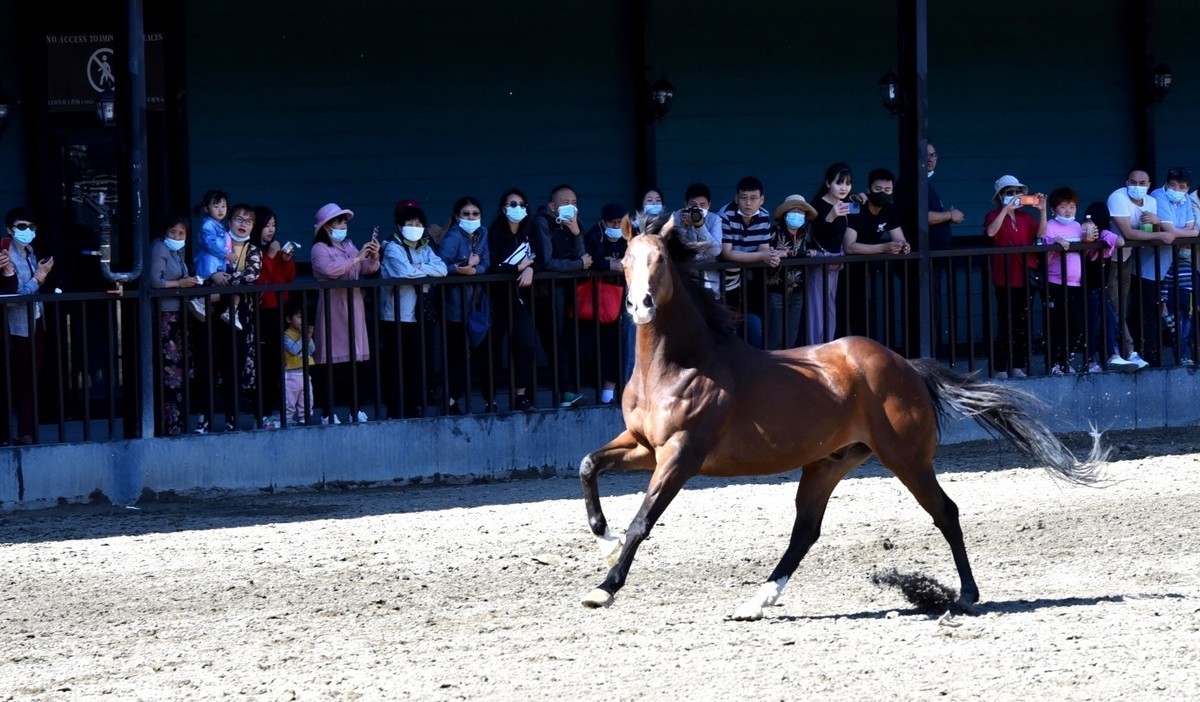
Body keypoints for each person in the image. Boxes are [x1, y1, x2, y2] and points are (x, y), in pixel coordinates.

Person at [310, 202, 380, 424]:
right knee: (332, 363)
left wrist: (372, 256)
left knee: (355, 363)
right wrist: (357, 258)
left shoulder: (349, 245)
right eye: (338, 222)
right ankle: (328, 412)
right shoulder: (319, 248)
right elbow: (330, 270)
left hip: (354, 307)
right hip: (333, 309)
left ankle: (355, 409)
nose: (342, 226)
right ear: (326, 226)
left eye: (344, 222)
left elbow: (366, 269)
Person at [379, 201, 447, 418]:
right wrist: (423, 270)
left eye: (419, 223)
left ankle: (415, 406)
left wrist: (419, 268)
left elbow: (442, 269)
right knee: (397, 366)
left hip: (421, 316)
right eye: (410, 222)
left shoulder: (425, 246)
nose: (415, 226)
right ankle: (396, 409)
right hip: (396, 317)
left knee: (418, 365)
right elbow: (403, 273)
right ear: (400, 226)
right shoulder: (392, 246)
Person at [530, 183, 591, 407]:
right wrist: (577, 264)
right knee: (555, 342)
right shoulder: (541, 222)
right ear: (552, 206)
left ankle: (572, 388)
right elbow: (547, 262)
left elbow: (585, 256)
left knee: (571, 340)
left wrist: (576, 233)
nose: (570, 207)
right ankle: (564, 391)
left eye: (574, 203)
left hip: (570, 291)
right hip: (546, 293)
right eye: (565, 203)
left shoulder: (575, 223)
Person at [1108, 168, 1175, 368]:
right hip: (1110, 260)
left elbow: (1148, 230)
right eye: (1133, 182)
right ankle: (1123, 351)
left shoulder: (1151, 202)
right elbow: (1128, 233)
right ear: (1127, 182)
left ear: (1149, 185)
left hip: (1128, 259)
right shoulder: (1117, 197)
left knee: (1124, 306)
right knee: (1114, 306)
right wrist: (1161, 233)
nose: (1137, 186)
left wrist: (1157, 223)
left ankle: (1126, 350)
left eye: (1142, 183)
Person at [984, 175, 1045, 378]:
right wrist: (1005, 210)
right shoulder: (993, 215)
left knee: (1023, 323)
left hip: (1026, 276)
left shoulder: (1027, 218)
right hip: (1005, 278)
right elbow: (991, 233)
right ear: (1001, 196)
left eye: (1018, 192)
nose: (1015, 196)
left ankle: (1018, 365)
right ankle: (1000, 367)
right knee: (1006, 323)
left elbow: (1040, 234)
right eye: (1010, 192)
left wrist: (1043, 211)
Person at [3, 207, 55, 445]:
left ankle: (27, 432)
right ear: (10, 229)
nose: (27, 232)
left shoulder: (31, 251)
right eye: (22, 227)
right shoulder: (5, 254)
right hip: (15, 327)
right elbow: (14, 296)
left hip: (35, 321)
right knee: (14, 379)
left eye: (31, 227)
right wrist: (40, 277)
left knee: (31, 379)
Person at [437, 196, 493, 414]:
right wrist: (462, 267)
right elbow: (441, 266)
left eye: (475, 214)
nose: (471, 218)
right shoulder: (452, 238)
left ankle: (488, 401)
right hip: (455, 308)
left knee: (482, 354)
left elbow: (485, 263)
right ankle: (450, 401)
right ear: (457, 216)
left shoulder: (483, 234)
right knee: (457, 357)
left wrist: (474, 270)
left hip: (477, 306)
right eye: (466, 214)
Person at [486, 189, 539, 412]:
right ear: (503, 207)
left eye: (520, 204)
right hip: (495, 300)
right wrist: (518, 267)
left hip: (520, 301)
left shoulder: (531, 230)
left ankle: (520, 394)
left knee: (526, 344)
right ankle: (491, 400)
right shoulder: (494, 232)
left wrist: (531, 269)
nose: (516, 208)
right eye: (511, 204)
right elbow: (493, 264)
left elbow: (541, 257)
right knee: (492, 350)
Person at [148, 214, 199, 436]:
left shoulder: (178, 251)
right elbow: (155, 280)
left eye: (181, 233)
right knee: (171, 372)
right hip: (165, 314)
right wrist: (179, 283)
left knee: (181, 370)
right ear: (165, 232)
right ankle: (169, 425)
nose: (177, 236)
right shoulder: (160, 248)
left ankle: (178, 422)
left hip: (179, 314)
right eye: (173, 232)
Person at [844, 168, 910, 340]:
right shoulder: (857, 208)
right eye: (878, 189)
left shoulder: (889, 209)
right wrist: (884, 248)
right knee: (847, 314)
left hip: (869, 272)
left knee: (869, 314)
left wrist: (904, 246)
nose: (883, 194)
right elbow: (849, 246)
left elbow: (899, 238)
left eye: (888, 190)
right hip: (846, 270)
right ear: (868, 189)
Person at [1148, 167, 1198, 366]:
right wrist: (1187, 233)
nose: (1177, 189)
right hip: (1158, 263)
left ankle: (1185, 353)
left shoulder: (1186, 199)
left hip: (1183, 261)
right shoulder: (1158, 196)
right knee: (1163, 308)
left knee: (1186, 307)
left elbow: (1191, 227)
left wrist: (1181, 232)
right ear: (1166, 184)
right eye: (1173, 185)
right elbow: (1170, 230)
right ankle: (1159, 356)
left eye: (1182, 186)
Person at [251, 205, 296, 429]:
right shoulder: (252, 248)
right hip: (262, 311)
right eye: (267, 225)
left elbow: (286, 278)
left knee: (279, 362)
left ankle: (280, 410)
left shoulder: (275, 248)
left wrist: (285, 259)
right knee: (264, 363)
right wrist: (268, 257)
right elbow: (261, 279)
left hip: (279, 308)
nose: (271, 230)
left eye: (274, 225)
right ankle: (263, 412)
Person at [717, 176, 775, 348]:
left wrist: (772, 254)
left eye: (753, 198)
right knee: (727, 323)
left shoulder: (764, 216)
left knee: (755, 322)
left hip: (750, 279)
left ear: (761, 199)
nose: (748, 203)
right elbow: (727, 253)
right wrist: (762, 256)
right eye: (743, 198)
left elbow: (764, 248)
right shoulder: (725, 215)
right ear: (736, 198)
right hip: (726, 280)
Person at [581, 202, 629, 404]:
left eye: (620, 222)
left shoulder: (629, 234)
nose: (616, 226)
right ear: (604, 221)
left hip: (620, 299)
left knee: (615, 346)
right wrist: (608, 263)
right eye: (613, 222)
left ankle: (610, 393)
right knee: (589, 347)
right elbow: (588, 259)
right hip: (594, 299)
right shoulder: (593, 235)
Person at [1042, 188, 1091, 375]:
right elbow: (1044, 256)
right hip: (1054, 281)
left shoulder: (1079, 226)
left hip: (1075, 282)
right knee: (1056, 324)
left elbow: (1085, 253)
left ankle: (1065, 360)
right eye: (1063, 206)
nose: (1068, 210)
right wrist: (1055, 243)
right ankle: (1054, 363)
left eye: (1072, 206)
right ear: (1054, 210)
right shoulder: (1049, 225)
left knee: (1077, 324)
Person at [1080, 203, 1131, 372]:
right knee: (1092, 323)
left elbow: (1121, 242)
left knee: (1110, 319)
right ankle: (1090, 360)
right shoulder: (1080, 233)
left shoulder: (1104, 234)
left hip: (1100, 287)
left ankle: (1113, 355)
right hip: (1084, 286)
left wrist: (1102, 237)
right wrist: (1087, 239)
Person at [806, 164, 854, 345]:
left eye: (848, 183)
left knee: (830, 307)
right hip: (819, 261)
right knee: (816, 307)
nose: (844, 188)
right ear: (828, 183)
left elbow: (841, 236)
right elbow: (817, 231)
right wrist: (831, 215)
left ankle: (829, 344)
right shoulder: (818, 204)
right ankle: (814, 346)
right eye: (839, 183)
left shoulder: (846, 203)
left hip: (836, 262)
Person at [765, 195, 814, 349]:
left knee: (792, 335)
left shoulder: (805, 233)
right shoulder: (774, 232)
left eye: (800, 212)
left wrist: (811, 253)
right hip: (776, 290)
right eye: (793, 211)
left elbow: (809, 250)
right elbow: (765, 253)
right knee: (775, 335)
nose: (797, 215)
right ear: (785, 213)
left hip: (797, 290)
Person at [190, 189, 230, 322]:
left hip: (216, 265)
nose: (220, 210)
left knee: (223, 290)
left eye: (223, 206)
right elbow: (209, 244)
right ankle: (199, 302)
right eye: (216, 206)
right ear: (207, 209)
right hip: (208, 265)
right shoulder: (208, 224)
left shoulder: (219, 225)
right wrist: (227, 254)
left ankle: (202, 304)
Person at [281, 298, 316, 426]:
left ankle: (305, 420)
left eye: (304, 317)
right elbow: (293, 350)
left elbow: (312, 350)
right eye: (299, 317)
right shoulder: (286, 335)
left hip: (304, 374)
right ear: (289, 319)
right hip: (290, 375)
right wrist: (304, 338)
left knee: (307, 400)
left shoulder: (304, 334)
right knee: (289, 401)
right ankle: (287, 420)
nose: (302, 320)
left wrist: (309, 338)